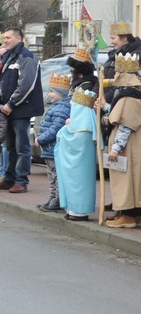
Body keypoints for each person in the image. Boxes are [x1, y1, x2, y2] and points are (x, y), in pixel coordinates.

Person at [0, 27, 44, 193]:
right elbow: (3, 82)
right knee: (10, 147)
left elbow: (26, 84)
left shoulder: (26, 57)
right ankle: (9, 178)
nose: (5, 40)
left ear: (18, 38)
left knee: (22, 147)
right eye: (4, 37)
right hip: (8, 109)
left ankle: (21, 181)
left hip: (21, 110)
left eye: (8, 37)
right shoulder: (9, 56)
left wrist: (11, 104)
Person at [101, 53, 141, 228]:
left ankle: (128, 215)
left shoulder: (129, 96)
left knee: (127, 180)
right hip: (129, 145)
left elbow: (125, 125)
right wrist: (104, 108)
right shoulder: (130, 95)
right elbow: (118, 112)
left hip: (127, 147)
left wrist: (115, 149)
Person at [55, 87, 98, 221]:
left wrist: (65, 130)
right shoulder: (86, 126)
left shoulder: (83, 129)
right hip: (78, 167)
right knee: (74, 184)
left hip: (78, 167)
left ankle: (79, 212)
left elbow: (71, 142)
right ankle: (73, 209)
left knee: (78, 184)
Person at [34, 74, 71, 210]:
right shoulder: (57, 106)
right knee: (51, 174)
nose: (50, 95)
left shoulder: (61, 109)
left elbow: (55, 129)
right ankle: (52, 196)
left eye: (52, 92)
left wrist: (41, 138)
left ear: (61, 93)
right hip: (49, 149)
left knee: (55, 175)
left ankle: (57, 198)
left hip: (53, 148)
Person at [102, 21, 141, 104]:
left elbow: (122, 82)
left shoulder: (135, 55)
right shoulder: (113, 55)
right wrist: (96, 97)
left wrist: (104, 100)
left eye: (113, 38)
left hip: (120, 103)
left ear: (124, 38)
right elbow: (101, 78)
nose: (111, 42)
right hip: (103, 103)